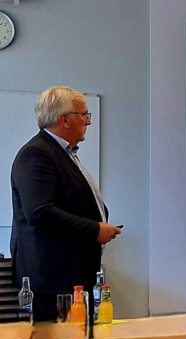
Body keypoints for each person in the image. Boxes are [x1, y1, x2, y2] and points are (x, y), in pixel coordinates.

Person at [10, 86, 121, 321]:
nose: (89, 122)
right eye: (84, 115)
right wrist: (95, 229)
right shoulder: (37, 153)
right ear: (65, 120)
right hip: (51, 283)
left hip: (69, 278)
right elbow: (40, 212)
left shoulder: (63, 153)